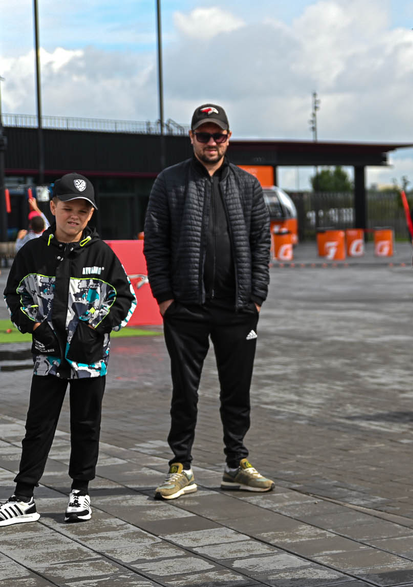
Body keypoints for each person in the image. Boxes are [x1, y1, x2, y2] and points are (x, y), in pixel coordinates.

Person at [144, 103, 274, 500]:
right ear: (192, 138)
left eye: (218, 135)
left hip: (237, 309)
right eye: (204, 135)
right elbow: (155, 242)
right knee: (185, 390)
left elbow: (260, 244)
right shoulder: (169, 182)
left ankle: (236, 464)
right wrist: (165, 299)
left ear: (228, 138)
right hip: (186, 308)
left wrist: (256, 298)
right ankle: (180, 465)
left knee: (238, 390)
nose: (212, 141)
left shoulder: (248, 185)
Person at [1, 173, 136, 526]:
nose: (74, 215)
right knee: (38, 424)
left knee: (86, 424)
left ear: (90, 215)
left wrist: (96, 328)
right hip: (48, 358)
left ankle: (80, 492)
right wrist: (32, 325)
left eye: (82, 210)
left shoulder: (103, 254)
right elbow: (13, 295)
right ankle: (24, 497)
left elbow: (126, 298)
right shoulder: (32, 252)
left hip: (90, 360)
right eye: (67, 208)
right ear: (53, 208)